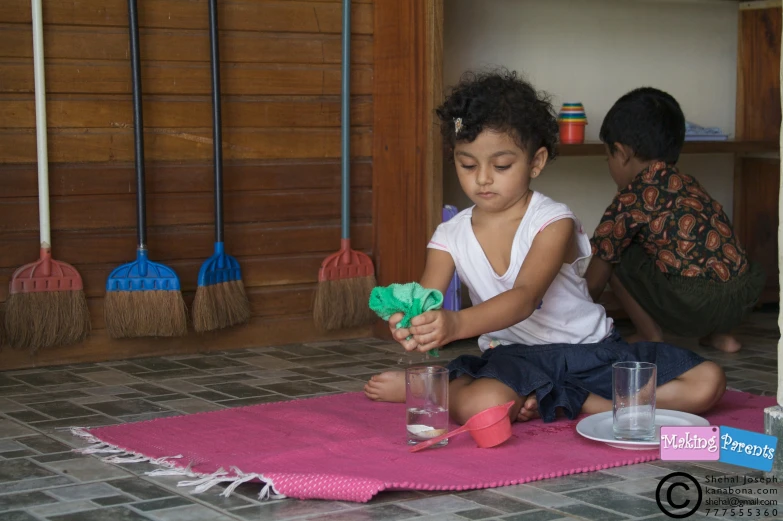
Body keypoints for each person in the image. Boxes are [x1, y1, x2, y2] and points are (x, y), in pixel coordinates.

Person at [364, 70, 726, 425]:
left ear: (535, 162)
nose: (483, 178)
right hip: (514, 358)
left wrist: (456, 323)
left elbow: (525, 298)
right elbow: (426, 298)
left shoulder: (554, 221)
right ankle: (428, 388)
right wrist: (413, 323)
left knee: (706, 382)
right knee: (484, 407)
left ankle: (584, 402)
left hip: (592, 352)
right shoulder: (449, 235)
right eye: (467, 164)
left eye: (502, 165)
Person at [583, 87, 766, 354]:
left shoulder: (630, 198)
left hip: (694, 304)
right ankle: (723, 336)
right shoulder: (689, 184)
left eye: (607, 156)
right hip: (743, 298)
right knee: (711, 255)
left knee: (612, 248)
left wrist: (571, 319)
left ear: (621, 153)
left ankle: (649, 335)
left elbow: (595, 282)